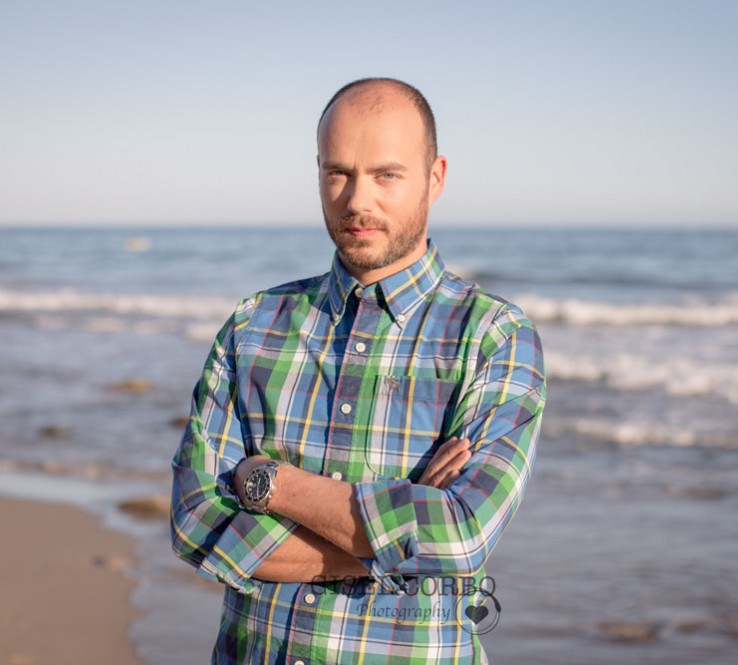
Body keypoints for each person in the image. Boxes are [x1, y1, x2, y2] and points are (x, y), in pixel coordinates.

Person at [170, 77, 546, 664]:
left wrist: (269, 483)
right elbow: (195, 524)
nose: (356, 201)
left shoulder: (492, 336)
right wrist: (404, 520)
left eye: (386, 175)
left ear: (436, 177)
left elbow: (464, 535)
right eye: (338, 173)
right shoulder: (254, 324)